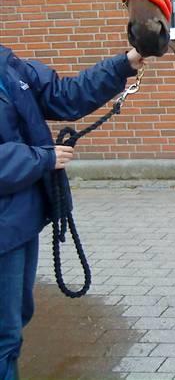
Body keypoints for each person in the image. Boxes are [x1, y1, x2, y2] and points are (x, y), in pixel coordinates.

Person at [0, 45, 145, 380]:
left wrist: (123, 65)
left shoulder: (9, 68)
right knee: (3, 336)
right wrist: (43, 159)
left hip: (18, 223)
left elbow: (65, 96)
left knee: (13, 325)